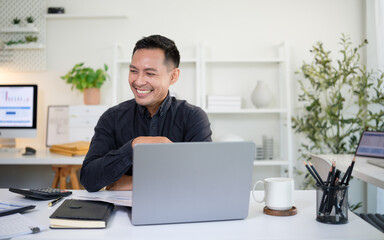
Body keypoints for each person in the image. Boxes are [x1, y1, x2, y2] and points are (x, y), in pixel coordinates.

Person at [80, 35, 212, 192]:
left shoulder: (193, 118)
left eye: (150, 73)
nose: (139, 81)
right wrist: (134, 146)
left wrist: (125, 183)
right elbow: (89, 179)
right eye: (134, 71)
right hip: (120, 214)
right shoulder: (112, 117)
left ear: (173, 76)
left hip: (177, 212)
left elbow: (203, 179)